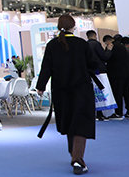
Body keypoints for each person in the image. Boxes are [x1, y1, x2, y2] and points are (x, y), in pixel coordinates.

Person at [36, 14, 98, 175]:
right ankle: (77, 159)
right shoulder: (81, 44)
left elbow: (46, 67)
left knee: (69, 121)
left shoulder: (52, 45)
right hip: (81, 90)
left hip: (60, 91)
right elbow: (94, 64)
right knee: (81, 123)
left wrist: (40, 86)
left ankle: (74, 155)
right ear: (73, 26)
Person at [104, 34, 129, 120]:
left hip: (116, 74)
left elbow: (106, 58)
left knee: (118, 94)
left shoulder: (111, 47)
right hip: (127, 73)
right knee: (128, 94)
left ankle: (118, 113)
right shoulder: (123, 47)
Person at [86, 30, 109, 121]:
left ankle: (96, 113)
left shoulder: (86, 45)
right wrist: (109, 51)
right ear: (95, 35)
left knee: (93, 92)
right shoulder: (96, 44)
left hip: (89, 72)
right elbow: (104, 56)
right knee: (101, 91)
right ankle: (101, 113)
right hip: (99, 71)